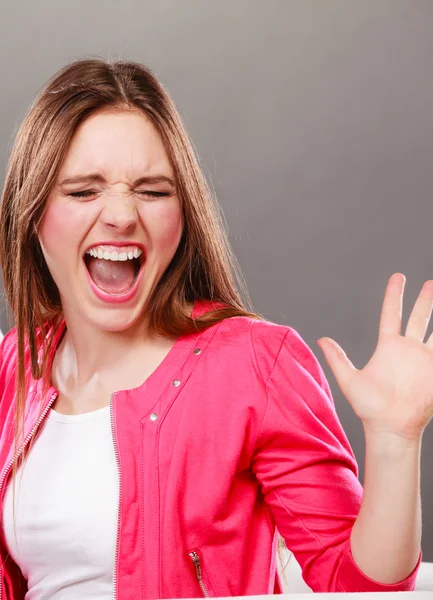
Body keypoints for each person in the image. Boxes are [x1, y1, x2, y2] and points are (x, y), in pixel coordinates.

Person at [0, 58, 429, 600]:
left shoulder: (253, 363)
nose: (121, 214)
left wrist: (395, 441)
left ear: (183, 214)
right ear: (32, 212)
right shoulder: (15, 364)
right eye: (84, 191)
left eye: (153, 191)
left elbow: (357, 586)